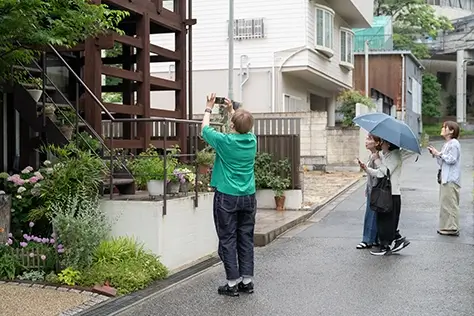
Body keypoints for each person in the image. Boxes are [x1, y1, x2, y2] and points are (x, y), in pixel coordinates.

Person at [201, 93, 257, 296]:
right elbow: (241, 126)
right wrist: (232, 111)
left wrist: (209, 107)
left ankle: (232, 283)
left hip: (227, 196)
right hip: (248, 197)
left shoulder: (224, 142)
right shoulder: (252, 140)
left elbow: (204, 129)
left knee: (227, 238)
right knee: (245, 237)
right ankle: (247, 281)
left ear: (231, 126)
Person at [359, 139, 410, 256]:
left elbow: (384, 172)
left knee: (386, 221)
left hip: (392, 193)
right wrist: (366, 169)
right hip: (386, 192)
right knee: (384, 220)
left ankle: (385, 246)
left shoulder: (395, 155)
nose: (381, 145)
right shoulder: (388, 155)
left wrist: (377, 160)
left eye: (383, 143)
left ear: (389, 144)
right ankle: (397, 240)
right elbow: (378, 172)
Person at [427, 121, 462, 236]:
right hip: (445, 178)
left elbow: (452, 159)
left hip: (451, 178)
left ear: (451, 131)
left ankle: (452, 228)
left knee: (450, 203)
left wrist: (439, 154)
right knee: (445, 203)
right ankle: (446, 226)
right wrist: (436, 154)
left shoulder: (454, 143)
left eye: (444, 127)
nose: (442, 129)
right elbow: (442, 161)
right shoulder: (447, 144)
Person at [356, 134, 382, 250]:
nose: (366, 141)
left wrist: (366, 168)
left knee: (371, 214)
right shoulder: (371, 155)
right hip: (372, 189)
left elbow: (379, 173)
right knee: (374, 214)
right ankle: (375, 239)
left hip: (376, 189)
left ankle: (367, 240)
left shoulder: (377, 156)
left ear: (377, 143)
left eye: (369, 139)